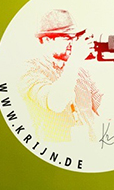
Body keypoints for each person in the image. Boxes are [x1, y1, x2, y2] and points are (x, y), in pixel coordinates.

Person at [21, 9, 103, 143]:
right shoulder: (29, 70)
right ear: (46, 39)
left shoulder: (80, 70)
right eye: (67, 38)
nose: (73, 43)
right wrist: (75, 59)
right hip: (54, 153)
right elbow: (56, 102)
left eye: (75, 38)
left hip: (89, 151)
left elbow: (104, 107)